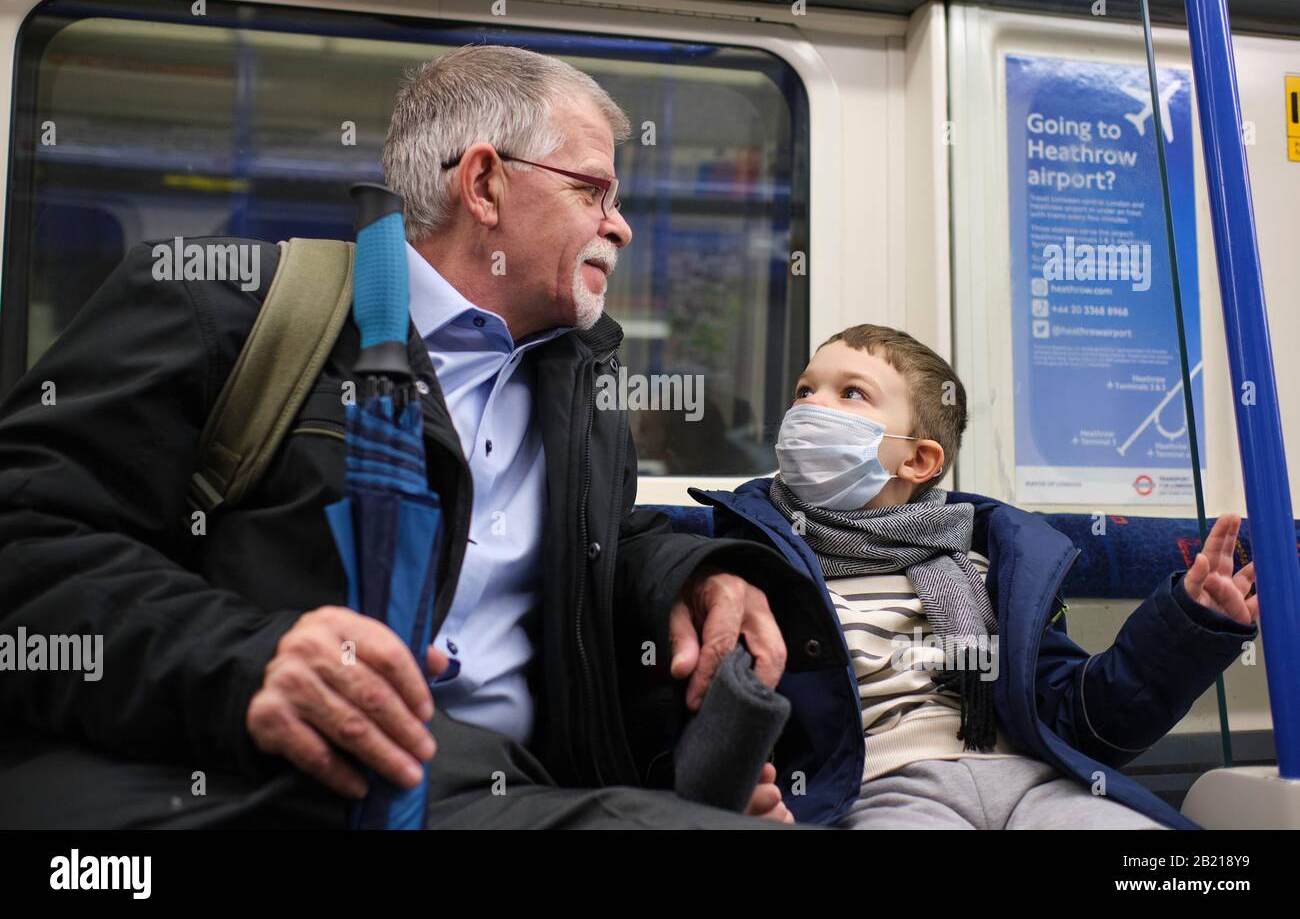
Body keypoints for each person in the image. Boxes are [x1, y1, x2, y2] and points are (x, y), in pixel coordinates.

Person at [0, 44, 819, 828]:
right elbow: (28, 541)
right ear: (486, 184)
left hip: (517, 786)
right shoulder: (229, 311)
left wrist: (693, 578)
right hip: (276, 780)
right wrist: (248, 662)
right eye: (593, 191)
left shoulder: (582, 391)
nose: (621, 226)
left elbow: (578, 572)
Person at [679, 323, 1260, 829]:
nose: (810, 407)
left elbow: (1083, 721)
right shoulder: (753, 560)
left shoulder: (990, 568)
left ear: (919, 460)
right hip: (878, 790)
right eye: (805, 390)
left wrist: (1189, 625)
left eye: (850, 393)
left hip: (1034, 781)